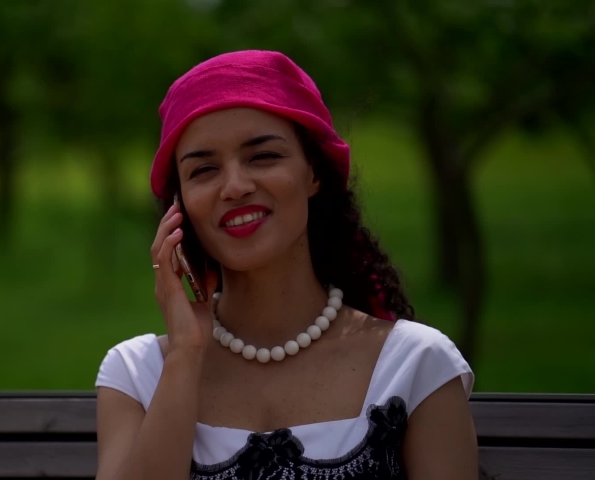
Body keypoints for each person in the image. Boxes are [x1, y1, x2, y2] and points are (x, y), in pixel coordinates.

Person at [94, 50, 477, 480]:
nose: (235, 187)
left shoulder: (415, 364)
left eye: (263, 157)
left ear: (313, 173)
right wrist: (186, 353)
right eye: (204, 169)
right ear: (179, 208)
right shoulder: (136, 373)